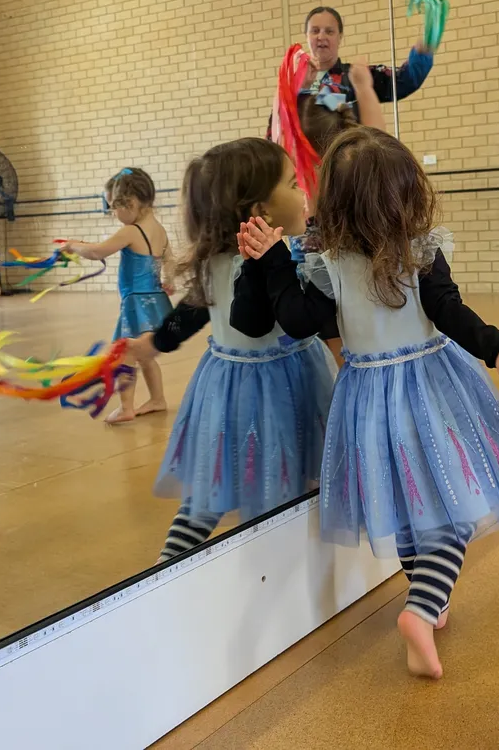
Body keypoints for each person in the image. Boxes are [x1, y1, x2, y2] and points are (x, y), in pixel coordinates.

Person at [239, 127, 499, 680]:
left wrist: (276, 263)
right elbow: (451, 312)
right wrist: (497, 347)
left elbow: (299, 321)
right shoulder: (420, 251)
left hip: (366, 399)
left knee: (404, 507)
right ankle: (422, 609)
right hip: (431, 389)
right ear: (405, 193)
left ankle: (429, 599)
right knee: (453, 514)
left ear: (335, 201)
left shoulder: (328, 265)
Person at [125, 139, 335, 564]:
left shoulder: (219, 258)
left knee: (216, 484)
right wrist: (156, 342)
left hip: (229, 385)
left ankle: (180, 562)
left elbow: (192, 310)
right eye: (293, 184)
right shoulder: (265, 261)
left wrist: (156, 342)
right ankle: (218, 564)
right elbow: (198, 310)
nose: (303, 192)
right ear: (261, 211)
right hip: (274, 386)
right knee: (280, 472)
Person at [64, 168, 172, 424]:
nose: (113, 214)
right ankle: (157, 399)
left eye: (113, 207)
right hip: (155, 301)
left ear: (131, 203)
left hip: (137, 302)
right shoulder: (159, 229)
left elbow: (98, 252)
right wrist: (169, 279)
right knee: (144, 354)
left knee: (125, 353)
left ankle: (126, 408)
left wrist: (73, 246)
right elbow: (169, 258)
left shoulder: (132, 231)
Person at [269, 6, 435, 132]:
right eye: (315, 31)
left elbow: (404, 81)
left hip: (347, 163)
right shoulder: (291, 84)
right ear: (306, 35)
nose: (321, 36)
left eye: (329, 31)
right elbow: (275, 129)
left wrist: (422, 54)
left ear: (340, 37)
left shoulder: (357, 77)